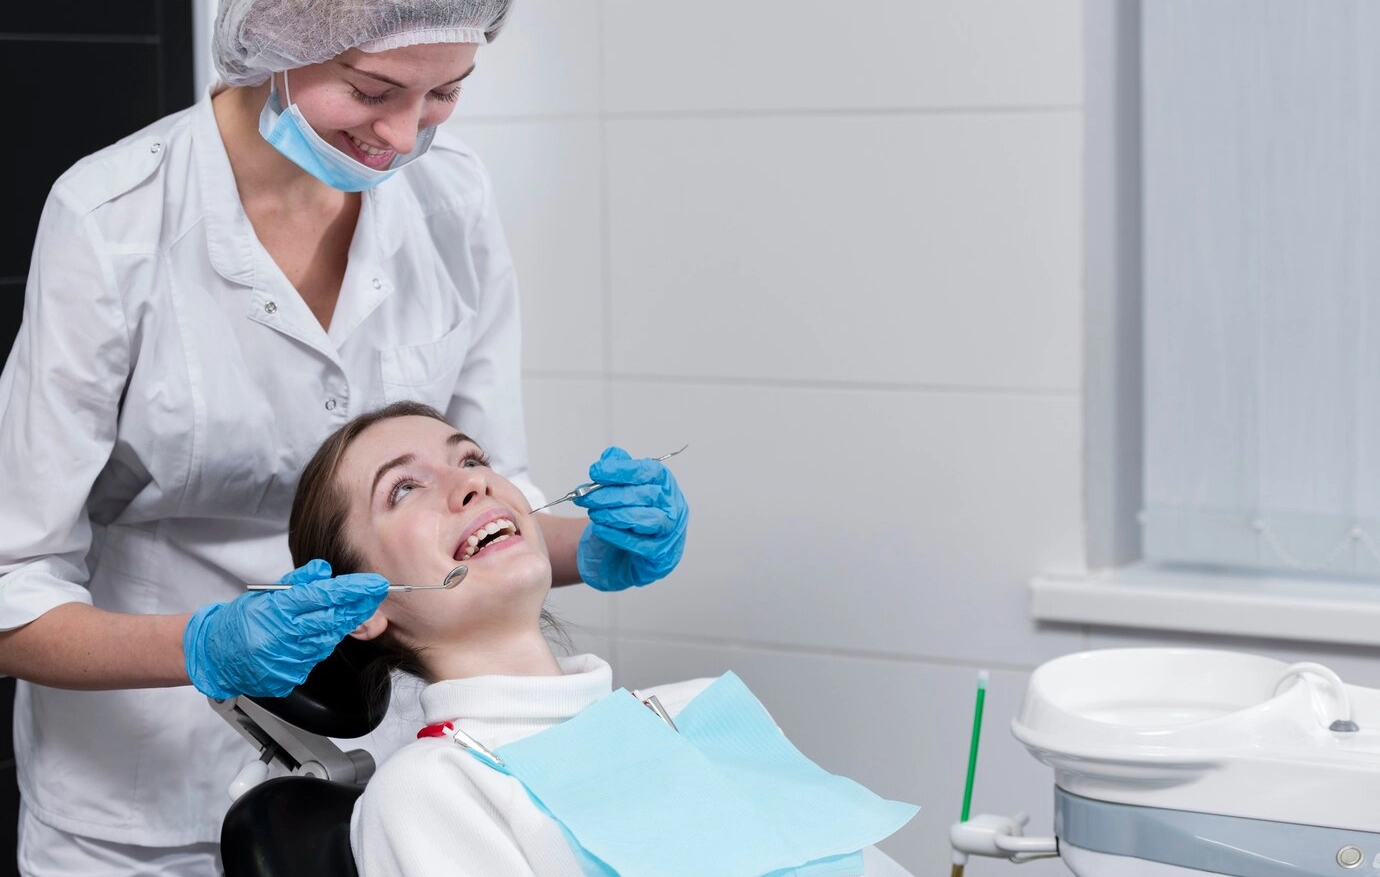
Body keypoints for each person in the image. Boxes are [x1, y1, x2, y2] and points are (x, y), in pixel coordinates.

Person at [0, 2, 688, 874]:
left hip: (392, 767)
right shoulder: (113, 219)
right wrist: (205, 646)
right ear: (278, 44)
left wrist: (588, 544)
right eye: (371, 92)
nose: (402, 138)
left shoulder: (452, 196)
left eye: (445, 93)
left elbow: (486, 496)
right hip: (140, 792)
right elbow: (11, 589)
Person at [289, 401, 915, 877]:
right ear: (360, 604)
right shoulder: (433, 790)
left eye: (472, 460)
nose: (474, 484)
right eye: (404, 488)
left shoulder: (694, 712)